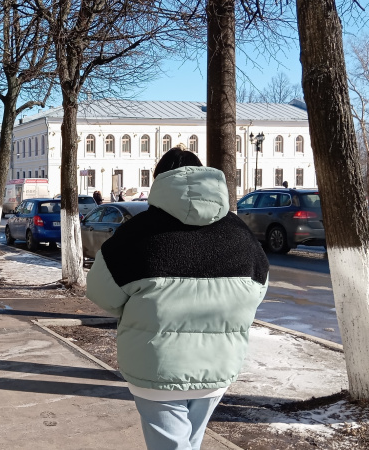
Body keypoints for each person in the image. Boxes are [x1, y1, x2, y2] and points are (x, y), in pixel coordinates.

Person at [86, 148, 269, 450]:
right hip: (218, 366)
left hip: (155, 366)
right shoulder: (239, 232)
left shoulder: (136, 233)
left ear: (159, 181)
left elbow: (101, 293)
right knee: (189, 443)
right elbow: (258, 291)